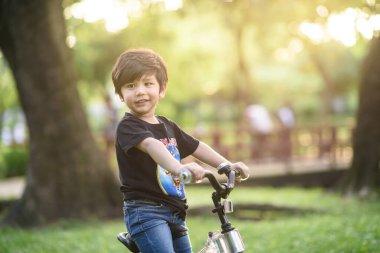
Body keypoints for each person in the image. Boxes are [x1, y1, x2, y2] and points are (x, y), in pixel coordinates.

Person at [111, 48, 250, 253]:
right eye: (131, 86)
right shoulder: (128, 126)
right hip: (146, 212)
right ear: (120, 94)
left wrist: (226, 165)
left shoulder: (168, 126)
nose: (140, 91)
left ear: (162, 88)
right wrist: (179, 168)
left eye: (148, 83)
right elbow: (152, 145)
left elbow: (197, 146)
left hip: (175, 210)